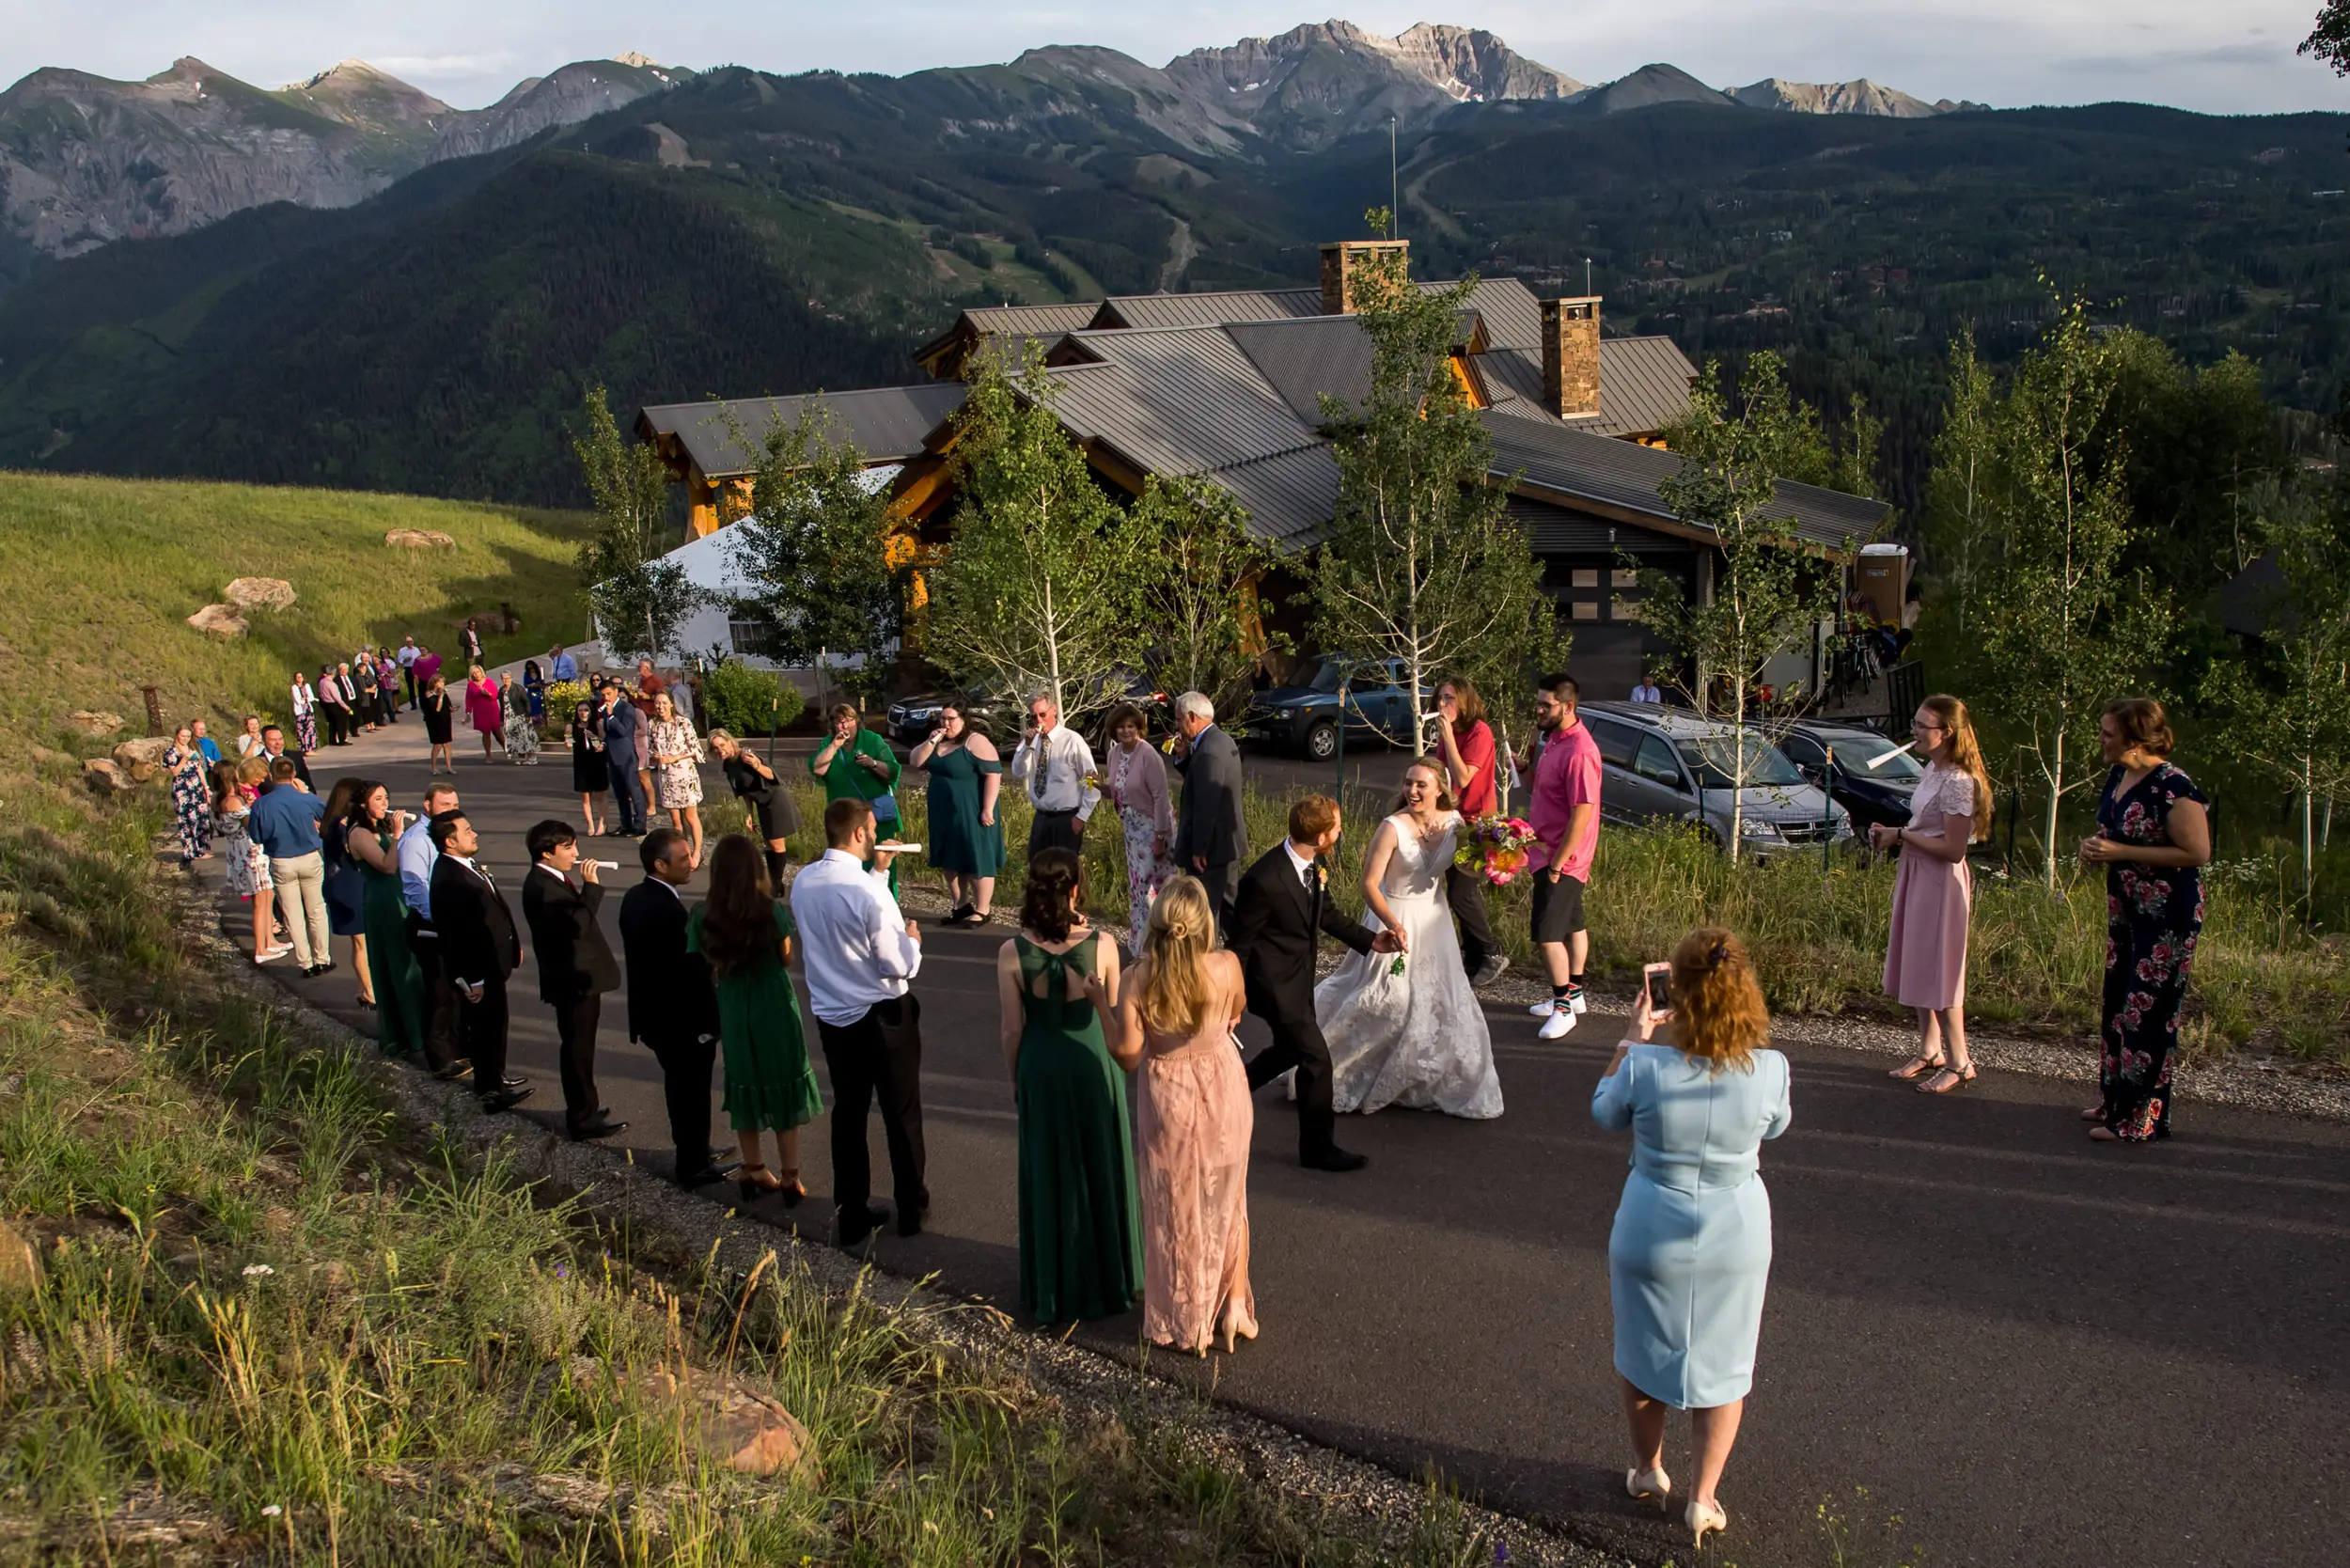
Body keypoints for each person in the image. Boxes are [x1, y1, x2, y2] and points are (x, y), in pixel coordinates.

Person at [1593, 927, 1791, 1550]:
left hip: (1651, 1223)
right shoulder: (1770, 1069)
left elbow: (1603, 1110)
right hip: (1736, 1229)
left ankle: (1650, 1470)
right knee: (1726, 1365)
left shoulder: (1647, 1067)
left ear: (1674, 990)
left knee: (1644, 1354)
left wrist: (1634, 1034)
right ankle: (1704, 1500)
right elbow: (1778, 1127)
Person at [1099, 873, 1256, 1355]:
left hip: (1169, 1094)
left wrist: (1098, 1004)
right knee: (1230, 1198)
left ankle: (1186, 1316)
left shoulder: (1137, 977)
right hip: (1225, 1089)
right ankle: (1233, 1306)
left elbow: (1127, 1053)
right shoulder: (1227, 965)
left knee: (1175, 1205)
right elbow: (1237, 1009)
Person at [995, 846, 1140, 1323]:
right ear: (1076, 887)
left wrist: (1016, 1077)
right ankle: (1109, 1275)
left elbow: (1011, 1029)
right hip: (1091, 1060)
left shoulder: (1011, 952)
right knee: (1099, 1160)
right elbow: (1114, 1005)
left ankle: (1053, 1281)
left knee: (1049, 1166)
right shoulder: (1102, 946)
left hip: (1041, 1062)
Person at [1316, 760, 1504, 1119]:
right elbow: (1369, 884)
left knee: (1441, 1001)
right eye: (1408, 783)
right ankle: (1335, 1066)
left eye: (1421, 785)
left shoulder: (1455, 824)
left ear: (1439, 791)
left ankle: (1423, 1077)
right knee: (1384, 998)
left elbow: (1462, 871)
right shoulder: (1392, 828)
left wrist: (1496, 860)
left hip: (1434, 922)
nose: (1412, 791)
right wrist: (1390, 923)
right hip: (1393, 916)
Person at [1230, 795, 1401, 1172]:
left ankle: (1225, 1092)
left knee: (1290, 1051)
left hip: (1299, 979)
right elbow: (1238, 945)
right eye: (1338, 827)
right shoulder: (1263, 879)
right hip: (1272, 986)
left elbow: (1327, 914)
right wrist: (1233, 999)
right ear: (1323, 836)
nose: (1341, 831)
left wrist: (1371, 940)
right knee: (1316, 1060)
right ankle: (1318, 1149)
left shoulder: (1313, 864)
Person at [791, 798, 927, 1247]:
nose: (875, 834)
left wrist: (881, 870)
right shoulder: (871, 896)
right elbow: (896, 965)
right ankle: (910, 1206)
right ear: (858, 833)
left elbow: (844, 914)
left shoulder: (805, 880)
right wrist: (913, 944)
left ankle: (851, 1213)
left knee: (849, 1115)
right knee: (901, 1112)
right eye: (871, 829)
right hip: (882, 1016)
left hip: (834, 1016)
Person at [2079, 697, 2211, 1144]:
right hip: (2128, 909)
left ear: (2135, 739)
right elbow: (2120, 830)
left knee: (2148, 1013)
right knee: (2117, 1004)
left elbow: (2198, 853)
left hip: (2168, 915)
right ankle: (2115, 1098)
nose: (2100, 739)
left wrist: (2124, 853)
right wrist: (2099, 846)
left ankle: (2140, 1118)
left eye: (2108, 733)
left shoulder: (2173, 786)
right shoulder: (2120, 774)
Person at [691, 835, 825, 1202]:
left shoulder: (702, 915)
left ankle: (753, 1168)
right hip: (773, 1000)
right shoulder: (769, 910)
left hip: (733, 1002)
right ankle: (790, 1176)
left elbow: (705, 960)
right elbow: (786, 958)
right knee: (784, 1081)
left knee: (744, 1080)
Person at [1874, 696, 1993, 1095]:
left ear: (1947, 733)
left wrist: (1902, 835)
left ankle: (1960, 1061)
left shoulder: (1959, 781)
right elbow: (1925, 826)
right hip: (1918, 873)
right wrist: (1893, 832)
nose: (1916, 732)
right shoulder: (1932, 769)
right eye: (1916, 723)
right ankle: (1930, 1048)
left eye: (1924, 726)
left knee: (1940, 967)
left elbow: (1954, 849)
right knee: (1918, 960)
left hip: (1941, 882)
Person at [619, 827, 738, 1187]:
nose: (691, 863)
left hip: (653, 1017)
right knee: (691, 1091)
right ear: (660, 864)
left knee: (683, 1088)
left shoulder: (635, 897)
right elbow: (689, 971)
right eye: (683, 858)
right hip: (681, 1022)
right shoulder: (668, 911)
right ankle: (692, 1163)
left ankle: (696, 1148)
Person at [520, 820, 626, 1140]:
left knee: (582, 1048)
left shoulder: (551, 879)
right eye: (568, 848)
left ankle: (587, 1106)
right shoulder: (541, 887)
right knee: (577, 1049)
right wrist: (591, 887)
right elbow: (576, 925)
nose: (576, 854)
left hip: (578, 979)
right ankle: (581, 1118)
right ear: (546, 852)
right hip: (571, 981)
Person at [428, 811, 530, 1112]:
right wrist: (473, 979)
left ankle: (496, 1077)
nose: (475, 835)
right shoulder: (450, 879)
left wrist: (512, 945)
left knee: (496, 1025)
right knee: (485, 1030)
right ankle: (490, 1093)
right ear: (450, 841)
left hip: (494, 964)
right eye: (467, 831)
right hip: (480, 972)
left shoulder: (464, 867)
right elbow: (457, 935)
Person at [1526, 673, 1601, 1042]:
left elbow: (1582, 814)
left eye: (1546, 705)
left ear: (1568, 707)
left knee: (1546, 934)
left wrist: (1558, 863)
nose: (1539, 709)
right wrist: (1523, 768)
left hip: (1562, 857)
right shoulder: (1554, 740)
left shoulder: (1580, 751)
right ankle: (1576, 994)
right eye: (1538, 702)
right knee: (1572, 923)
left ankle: (1562, 1008)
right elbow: (1545, 791)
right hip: (1545, 850)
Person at [1434, 677, 1507, 987]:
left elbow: (1462, 778)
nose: (1442, 704)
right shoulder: (1448, 734)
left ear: (1464, 700)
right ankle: (1473, 957)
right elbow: (1442, 777)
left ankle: (1492, 953)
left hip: (1477, 825)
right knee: (1456, 892)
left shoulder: (1479, 732)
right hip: (1452, 820)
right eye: (1440, 698)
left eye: (1449, 698)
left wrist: (1448, 736)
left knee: (1461, 893)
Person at [342, 782, 426, 1057]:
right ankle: (403, 1033)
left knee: (410, 960)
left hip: (396, 895)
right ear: (364, 804)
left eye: (386, 797)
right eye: (378, 798)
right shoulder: (358, 834)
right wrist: (399, 835)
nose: (384, 802)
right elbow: (387, 866)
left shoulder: (378, 828)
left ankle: (418, 1027)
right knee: (397, 961)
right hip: (382, 901)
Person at [910, 701, 1003, 927]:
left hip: (971, 808)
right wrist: (932, 740)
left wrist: (987, 808)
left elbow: (994, 774)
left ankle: (983, 909)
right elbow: (916, 761)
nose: (946, 723)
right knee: (950, 858)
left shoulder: (976, 741)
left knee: (976, 855)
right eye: (943, 718)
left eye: (951, 719)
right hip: (943, 811)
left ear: (963, 720)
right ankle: (960, 905)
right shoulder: (937, 741)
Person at [400, 782, 469, 1079]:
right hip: (431, 924)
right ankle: (441, 1059)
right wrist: (442, 920)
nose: (451, 809)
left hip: (451, 921)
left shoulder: (450, 835)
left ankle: (459, 1048)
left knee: (457, 989)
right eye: (444, 805)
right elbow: (416, 890)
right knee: (440, 991)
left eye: (454, 804)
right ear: (427, 806)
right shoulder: (418, 839)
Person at [1169, 691, 1246, 941]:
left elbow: (1206, 802)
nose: (1177, 726)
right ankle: (1239, 962)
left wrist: (1199, 848)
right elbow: (1201, 782)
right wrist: (1184, 758)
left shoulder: (1210, 751)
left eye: (1179, 719)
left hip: (1212, 849)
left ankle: (1207, 964)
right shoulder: (1221, 741)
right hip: (1227, 844)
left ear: (1191, 717)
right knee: (1229, 910)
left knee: (1204, 911)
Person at [1101, 702, 1174, 956]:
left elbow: (1160, 798)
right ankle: (1139, 946)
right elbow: (1117, 791)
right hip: (1131, 831)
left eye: (1131, 726)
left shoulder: (1148, 755)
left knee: (1153, 891)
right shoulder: (1114, 754)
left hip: (1152, 828)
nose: (1126, 731)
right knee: (1137, 889)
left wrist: (1160, 836)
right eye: (1121, 727)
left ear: (1139, 728)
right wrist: (1097, 788)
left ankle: (1158, 949)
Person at [248, 758, 333, 976]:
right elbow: (327, 815)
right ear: (293, 773)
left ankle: (305, 963)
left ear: (271, 775)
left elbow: (256, 836)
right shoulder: (305, 799)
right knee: (316, 910)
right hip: (309, 856)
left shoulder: (261, 804)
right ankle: (322, 957)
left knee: (292, 913)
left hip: (281, 860)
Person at [1010, 691, 1099, 862]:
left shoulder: (1072, 740)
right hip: (1042, 816)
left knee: (1063, 875)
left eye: (1042, 714)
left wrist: (1082, 817)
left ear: (1054, 710)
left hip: (1066, 818)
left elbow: (1091, 779)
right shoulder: (1032, 739)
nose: (1039, 721)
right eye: (1033, 717)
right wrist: (1025, 748)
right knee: (1037, 871)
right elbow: (1018, 771)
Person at [215, 759, 286, 966]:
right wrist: (255, 807)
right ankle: (260, 949)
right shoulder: (232, 802)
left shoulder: (221, 800)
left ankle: (269, 941)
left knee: (267, 894)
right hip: (249, 853)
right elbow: (251, 824)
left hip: (248, 851)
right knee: (260, 901)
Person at [710, 729, 802, 886]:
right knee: (768, 842)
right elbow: (744, 791)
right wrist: (749, 813)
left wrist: (756, 765)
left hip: (774, 800)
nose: (720, 750)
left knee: (776, 843)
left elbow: (771, 775)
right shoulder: (728, 765)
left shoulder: (745, 756)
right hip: (761, 803)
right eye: (715, 748)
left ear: (730, 741)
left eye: (722, 745)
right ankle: (773, 881)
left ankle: (776, 883)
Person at [318, 776, 373, 1003]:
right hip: (350, 885)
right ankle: (370, 992)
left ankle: (363, 987)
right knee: (362, 943)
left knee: (359, 942)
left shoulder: (331, 822)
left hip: (337, 883)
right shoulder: (344, 826)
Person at [648, 692, 705, 867]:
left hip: (685, 774)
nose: (661, 707)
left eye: (664, 703)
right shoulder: (653, 725)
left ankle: (697, 853)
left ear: (671, 704)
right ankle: (683, 854)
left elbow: (696, 750)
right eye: (658, 703)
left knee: (690, 816)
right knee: (675, 820)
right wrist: (656, 756)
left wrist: (676, 757)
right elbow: (649, 751)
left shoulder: (682, 723)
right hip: (666, 776)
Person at [598, 682, 649, 837]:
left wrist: (612, 716)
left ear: (615, 691)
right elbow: (610, 733)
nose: (606, 697)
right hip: (612, 756)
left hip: (626, 756)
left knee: (634, 790)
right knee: (620, 792)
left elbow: (624, 731)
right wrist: (604, 743)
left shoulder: (627, 708)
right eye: (603, 695)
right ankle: (626, 824)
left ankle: (640, 825)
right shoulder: (607, 710)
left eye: (609, 694)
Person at [165, 724, 212, 865]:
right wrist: (184, 759)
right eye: (182, 736)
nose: (185, 739)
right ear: (177, 735)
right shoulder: (171, 752)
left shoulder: (192, 750)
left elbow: (199, 769)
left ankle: (201, 848)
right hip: (183, 789)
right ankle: (191, 852)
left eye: (188, 736)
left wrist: (206, 787)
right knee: (187, 820)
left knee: (201, 817)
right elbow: (174, 772)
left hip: (196, 787)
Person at [567, 700, 609, 837]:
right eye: (580, 710)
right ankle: (590, 824)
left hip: (597, 762)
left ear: (590, 711)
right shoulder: (571, 726)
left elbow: (602, 740)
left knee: (600, 794)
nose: (583, 713)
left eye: (586, 710)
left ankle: (602, 823)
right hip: (581, 763)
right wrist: (568, 742)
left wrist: (598, 743)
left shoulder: (596, 725)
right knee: (585, 796)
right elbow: (569, 741)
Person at [499, 671, 540, 765]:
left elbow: (527, 701)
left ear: (511, 678)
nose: (506, 680)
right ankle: (521, 758)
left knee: (526, 737)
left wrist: (528, 714)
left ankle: (531, 758)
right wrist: (501, 718)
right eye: (504, 679)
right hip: (509, 718)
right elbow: (502, 706)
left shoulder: (518, 688)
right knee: (515, 739)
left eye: (508, 678)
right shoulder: (502, 690)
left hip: (520, 715)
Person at [464, 666, 502, 763]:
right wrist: (468, 712)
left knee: (497, 731)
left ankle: (507, 749)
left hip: (491, 709)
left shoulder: (489, 681)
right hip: (480, 711)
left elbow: (495, 695)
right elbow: (469, 699)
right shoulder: (471, 684)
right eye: (474, 673)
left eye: (478, 672)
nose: (476, 674)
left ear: (482, 672)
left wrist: (488, 694)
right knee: (485, 732)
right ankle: (488, 754)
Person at [258, 725, 313, 791]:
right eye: (273, 740)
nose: (278, 743)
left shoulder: (296, 757)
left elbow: (308, 785)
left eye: (280, 739)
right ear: (263, 741)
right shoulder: (257, 763)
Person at [421, 675, 456, 773]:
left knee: (447, 744)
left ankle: (449, 767)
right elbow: (437, 709)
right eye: (440, 682)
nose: (442, 685)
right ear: (434, 683)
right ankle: (433, 767)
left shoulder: (444, 693)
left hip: (445, 719)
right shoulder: (429, 694)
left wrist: (451, 708)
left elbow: (448, 705)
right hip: (434, 721)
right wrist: (440, 696)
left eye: (443, 682)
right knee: (438, 745)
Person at [290, 670, 321, 754]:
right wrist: (306, 699)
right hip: (300, 711)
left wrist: (305, 699)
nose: (300, 678)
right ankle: (305, 749)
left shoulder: (307, 685)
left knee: (310, 728)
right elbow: (298, 701)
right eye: (298, 677)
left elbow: (312, 697)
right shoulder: (294, 687)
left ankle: (311, 748)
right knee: (302, 730)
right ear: (295, 678)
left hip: (308, 710)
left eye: (301, 676)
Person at [398, 635, 421, 709]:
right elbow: (399, 660)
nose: (410, 643)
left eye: (411, 641)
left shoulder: (416, 649)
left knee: (420, 685)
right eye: (408, 642)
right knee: (411, 687)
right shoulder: (402, 650)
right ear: (406, 643)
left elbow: (420, 657)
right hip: (408, 668)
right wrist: (405, 660)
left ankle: (422, 702)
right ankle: (413, 704)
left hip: (417, 669)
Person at [522, 658, 547, 725]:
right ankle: (534, 720)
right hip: (531, 693)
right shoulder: (526, 674)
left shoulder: (539, 673)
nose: (531, 670)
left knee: (540, 706)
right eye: (530, 668)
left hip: (539, 692)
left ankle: (541, 719)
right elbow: (525, 685)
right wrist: (532, 685)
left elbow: (543, 683)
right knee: (533, 707)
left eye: (532, 668)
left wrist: (539, 684)